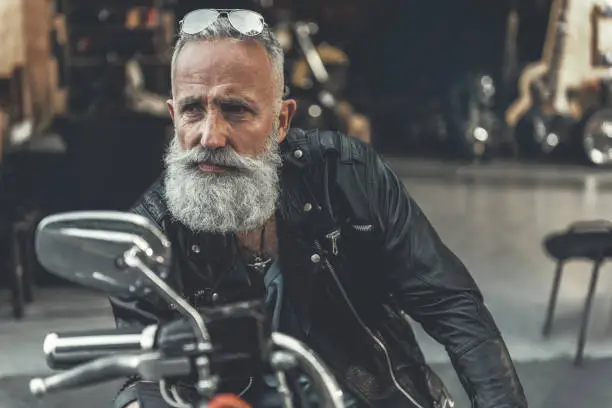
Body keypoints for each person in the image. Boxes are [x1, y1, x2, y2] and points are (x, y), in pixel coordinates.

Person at [110, 9, 528, 408]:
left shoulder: (347, 176)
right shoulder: (150, 236)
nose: (211, 136)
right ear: (172, 116)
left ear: (281, 121)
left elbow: (450, 303)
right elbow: (145, 377)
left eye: (236, 110)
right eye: (192, 109)